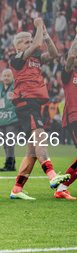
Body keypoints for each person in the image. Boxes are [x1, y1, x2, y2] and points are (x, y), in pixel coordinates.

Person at [9, 18, 70, 199]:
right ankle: (52, 176)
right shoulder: (17, 59)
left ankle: (17, 190)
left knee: (31, 152)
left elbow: (53, 53)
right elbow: (36, 46)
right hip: (26, 102)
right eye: (26, 42)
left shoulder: (34, 59)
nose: (30, 43)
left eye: (30, 40)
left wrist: (45, 34)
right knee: (41, 136)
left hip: (33, 103)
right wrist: (37, 30)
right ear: (18, 46)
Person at [54, 35, 77, 199]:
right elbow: (70, 57)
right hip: (73, 118)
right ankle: (61, 189)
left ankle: (62, 188)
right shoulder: (68, 75)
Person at [0, 69, 20, 172]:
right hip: (1, 120)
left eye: (8, 76)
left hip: (13, 119)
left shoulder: (16, 87)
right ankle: (12, 164)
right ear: (1, 77)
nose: (6, 78)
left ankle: (8, 164)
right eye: (4, 76)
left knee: (10, 142)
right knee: (4, 143)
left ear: (12, 77)